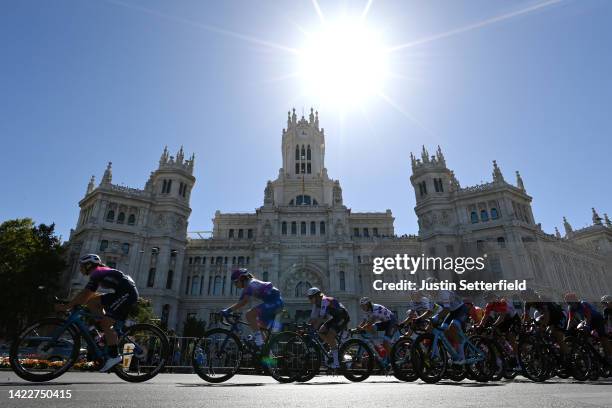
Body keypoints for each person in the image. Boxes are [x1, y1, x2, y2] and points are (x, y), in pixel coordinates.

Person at [55, 254, 139, 372]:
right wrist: (72, 303)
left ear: (89, 265)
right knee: (92, 302)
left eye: (82, 266)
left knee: (105, 323)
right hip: (121, 293)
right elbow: (87, 296)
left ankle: (114, 356)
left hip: (127, 294)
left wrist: (67, 306)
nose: (80, 269)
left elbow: (85, 294)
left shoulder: (97, 273)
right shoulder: (99, 272)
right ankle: (103, 332)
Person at [222, 268, 283, 347]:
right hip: (272, 303)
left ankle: (259, 341)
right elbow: (240, 302)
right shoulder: (247, 287)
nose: (235, 285)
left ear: (242, 278)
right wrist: (228, 311)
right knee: (260, 329)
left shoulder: (251, 283)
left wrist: (227, 311)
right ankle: (266, 351)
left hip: (275, 302)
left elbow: (243, 302)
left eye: (236, 282)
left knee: (249, 314)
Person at [422, 277, 468, 363]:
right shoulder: (431, 296)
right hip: (452, 312)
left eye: (431, 288)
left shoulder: (442, 292)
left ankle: (462, 356)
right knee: (443, 328)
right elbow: (429, 311)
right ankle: (452, 353)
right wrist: (419, 319)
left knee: (453, 326)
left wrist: (436, 318)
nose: (430, 290)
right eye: (428, 288)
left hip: (461, 309)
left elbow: (446, 310)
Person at [307, 287, 350, 369]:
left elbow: (321, 318)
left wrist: (313, 327)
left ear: (316, 296)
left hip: (343, 316)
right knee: (321, 331)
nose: (309, 299)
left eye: (310, 297)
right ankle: (333, 347)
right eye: (308, 297)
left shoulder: (324, 300)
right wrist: (306, 325)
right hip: (335, 318)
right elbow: (312, 318)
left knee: (330, 334)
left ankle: (337, 363)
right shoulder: (316, 304)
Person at [564, 292, 611, 362]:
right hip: (587, 320)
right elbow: (570, 320)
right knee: (579, 329)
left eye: (570, 302)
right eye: (568, 303)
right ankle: (590, 349)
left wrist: (587, 325)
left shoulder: (582, 303)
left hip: (597, 319)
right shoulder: (571, 308)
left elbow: (588, 315)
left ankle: (609, 355)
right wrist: (567, 330)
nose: (570, 304)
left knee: (603, 337)